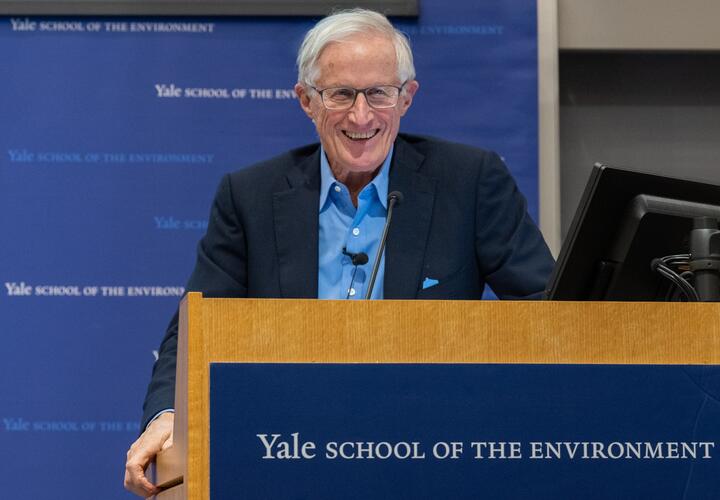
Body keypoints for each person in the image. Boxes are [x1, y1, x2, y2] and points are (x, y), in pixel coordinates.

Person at [124, 8, 555, 497]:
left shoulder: (469, 182)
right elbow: (194, 329)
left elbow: (546, 309)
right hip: (288, 452)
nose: (362, 116)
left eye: (378, 93)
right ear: (306, 101)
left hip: (429, 454)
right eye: (341, 94)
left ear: (406, 98)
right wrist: (168, 417)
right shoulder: (251, 196)